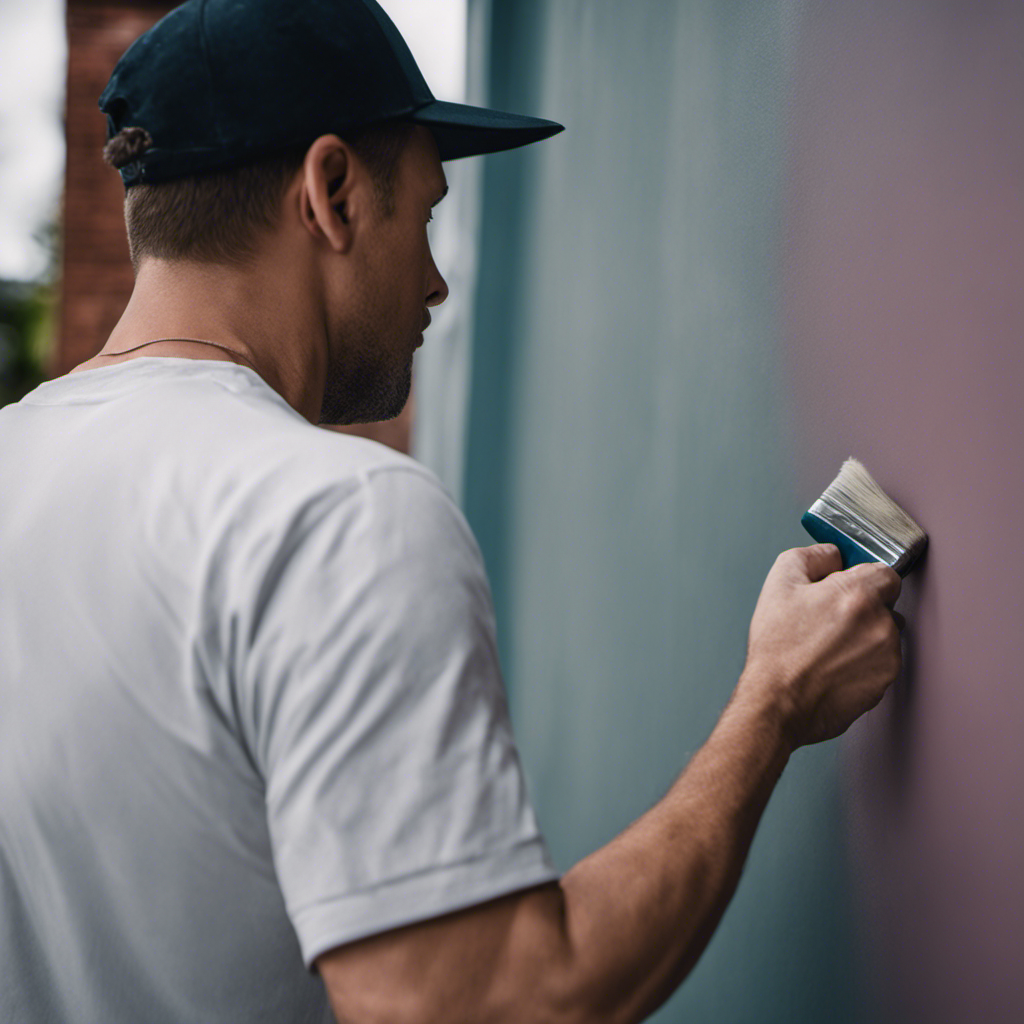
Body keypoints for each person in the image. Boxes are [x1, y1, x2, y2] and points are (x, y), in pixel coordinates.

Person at [0, 0, 905, 1021]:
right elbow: (492, 1003)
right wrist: (770, 708)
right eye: (425, 215)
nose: (435, 282)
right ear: (332, 191)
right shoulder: (333, 514)